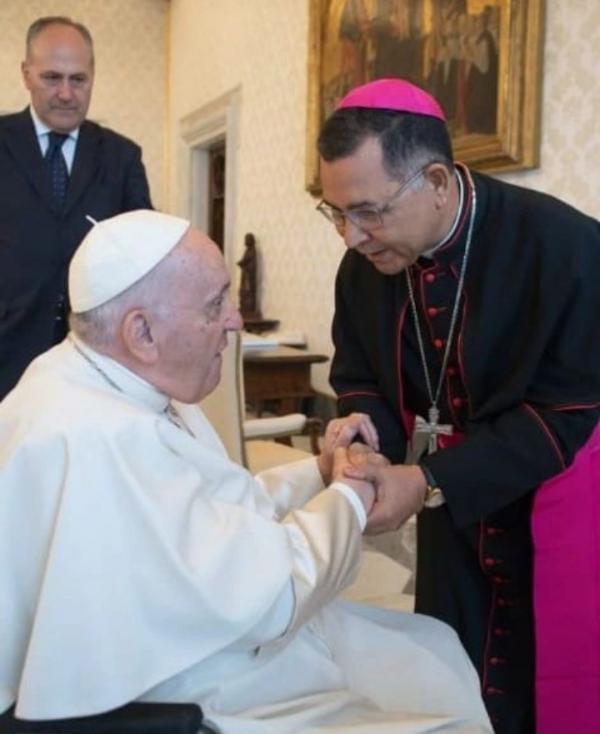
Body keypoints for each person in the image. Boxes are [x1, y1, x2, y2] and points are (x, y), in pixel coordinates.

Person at [0, 210, 491, 734]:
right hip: (186, 687)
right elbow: (271, 599)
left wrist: (319, 474)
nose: (235, 320)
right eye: (216, 305)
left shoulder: (97, 376)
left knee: (430, 649)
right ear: (141, 331)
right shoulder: (95, 437)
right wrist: (348, 497)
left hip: (200, 649)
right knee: (434, 706)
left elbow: (215, 509)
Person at [316, 78, 600, 734]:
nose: (351, 237)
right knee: (453, 666)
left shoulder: (565, 248)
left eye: (369, 211)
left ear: (437, 182)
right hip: (452, 517)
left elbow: (568, 409)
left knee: (552, 684)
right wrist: (362, 431)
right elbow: (360, 371)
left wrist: (429, 479)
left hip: (554, 504)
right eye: (333, 212)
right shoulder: (366, 262)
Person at [0, 15, 152, 401]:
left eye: (78, 79)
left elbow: (142, 258)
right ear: (26, 73)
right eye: (52, 77)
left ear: (93, 77)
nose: (66, 93)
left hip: (96, 362)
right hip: (7, 353)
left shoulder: (122, 157)